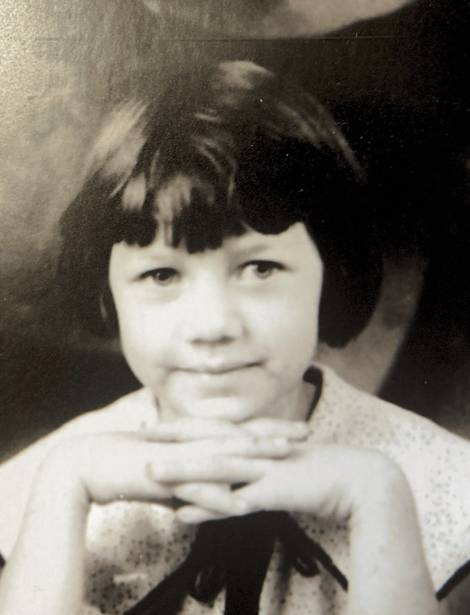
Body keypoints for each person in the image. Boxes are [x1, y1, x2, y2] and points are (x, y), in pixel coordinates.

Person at [0, 60, 468, 615]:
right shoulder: (43, 483)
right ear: (108, 295)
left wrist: (377, 499)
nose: (214, 326)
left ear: (333, 274)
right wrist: (64, 488)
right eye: (161, 275)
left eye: (260, 269)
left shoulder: (446, 485)